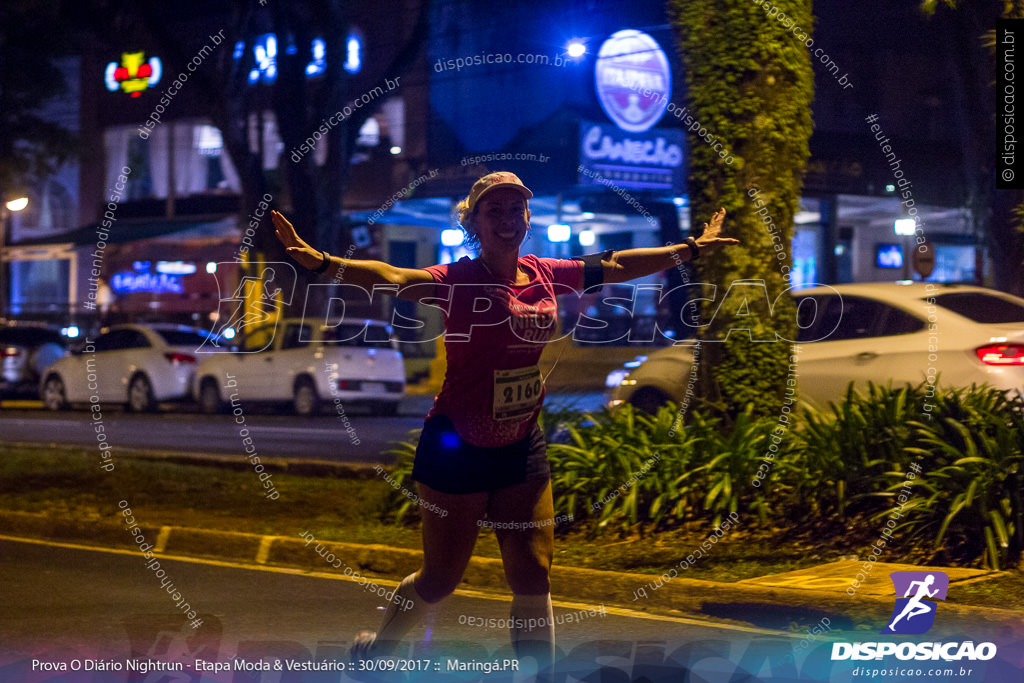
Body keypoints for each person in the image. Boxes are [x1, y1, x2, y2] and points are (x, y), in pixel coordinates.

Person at [271, 171, 738, 672]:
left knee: (534, 575)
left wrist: (689, 248)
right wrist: (321, 262)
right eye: (495, 210)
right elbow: (393, 278)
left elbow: (617, 263)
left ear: (527, 219)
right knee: (440, 578)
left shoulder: (544, 272)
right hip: (457, 445)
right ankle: (379, 650)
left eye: (516, 209)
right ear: (474, 221)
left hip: (521, 443)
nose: (508, 219)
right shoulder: (457, 279)